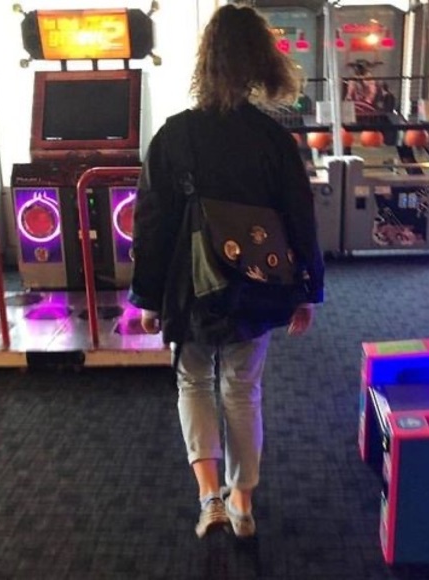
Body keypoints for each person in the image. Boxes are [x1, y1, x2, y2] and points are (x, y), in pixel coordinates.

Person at [129, 3, 325, 540]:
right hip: (257, 288)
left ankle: (209, 498)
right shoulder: (273, 140)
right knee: (243, 388)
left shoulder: (174, 136)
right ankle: (243, 501)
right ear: (261, 62)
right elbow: (299, 217)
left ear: (205, 62)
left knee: (193, 380)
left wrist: (147, 298)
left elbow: (151, 223)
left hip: (189, 286)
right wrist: (307, 290)